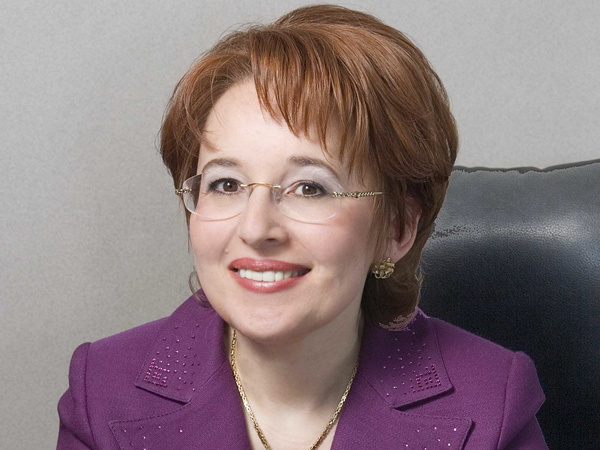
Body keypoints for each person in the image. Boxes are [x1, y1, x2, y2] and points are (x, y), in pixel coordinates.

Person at [57, 5, 547, 449]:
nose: (256, 228)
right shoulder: (101, 390)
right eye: (226, 184)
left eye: (309, 188)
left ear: (397, 228)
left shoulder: (494, 403)